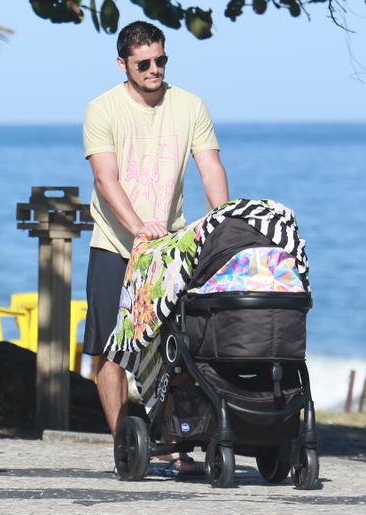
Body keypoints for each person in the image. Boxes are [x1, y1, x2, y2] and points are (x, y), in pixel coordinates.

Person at [82, 21, 229, 472]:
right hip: (114, 244)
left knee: (177, 347)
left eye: (160, 60)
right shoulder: (102, 109)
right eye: (143, 63)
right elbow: (106, 178)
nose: (154, 69)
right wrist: (137, 227)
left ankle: (181, 444)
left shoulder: (190, 106)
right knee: (109, 350)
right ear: (122, 64)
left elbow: (210, 168)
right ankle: (127, 443)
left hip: (172, 248)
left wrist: (222, 224)